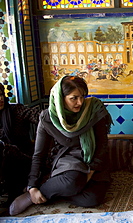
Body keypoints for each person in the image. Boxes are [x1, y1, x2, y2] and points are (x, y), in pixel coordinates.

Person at [9, 76, 113, 215]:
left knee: (92, 199)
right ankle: (32, 195)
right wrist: (32, 185)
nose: (80, 102)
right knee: (73, 180)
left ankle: (51, 192)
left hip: (93, 161)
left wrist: (90, 172)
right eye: (74, 98)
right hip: (68, 161)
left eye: (82, 96)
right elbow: (39, 154)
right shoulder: (48, 118)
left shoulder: (93, 110)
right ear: (60, 98)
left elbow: (102, 147)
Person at [0, 83, 41, 207]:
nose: (0, 99)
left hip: (23, 157)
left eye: (1, 95)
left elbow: (39, 116)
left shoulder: (16, 110)